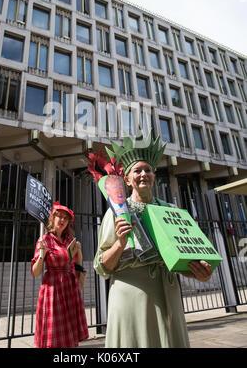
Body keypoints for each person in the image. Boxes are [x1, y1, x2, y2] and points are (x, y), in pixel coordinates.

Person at [93, 133, 213, 348]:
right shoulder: (116, 213)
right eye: (137, 171)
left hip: (168, 292)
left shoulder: (171, 211)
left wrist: (198, 272)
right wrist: (120, 244)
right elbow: (102, 266)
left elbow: (181, 260)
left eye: (148, 170)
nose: (143, 174)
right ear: (127, 180)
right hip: (130, 295)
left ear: (154, 176)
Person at [31, 202, 89, 348]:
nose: (62, 220)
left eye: (65, 218)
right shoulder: (45, 240)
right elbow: (36, 272)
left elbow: (77, 263)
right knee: (54, 330)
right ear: (52, 218)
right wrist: (41, 255)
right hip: (53, 289)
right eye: (59, 217)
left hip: (70, 287)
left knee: (69, 332)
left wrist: (79, 251)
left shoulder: (70, 240)